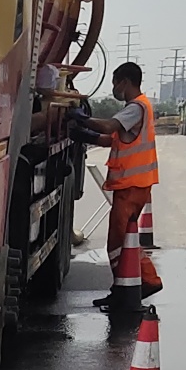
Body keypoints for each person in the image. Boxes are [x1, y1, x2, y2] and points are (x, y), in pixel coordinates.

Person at [71, 62, 162, 314]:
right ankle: (127, 287)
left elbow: (109, 127)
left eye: (115, 83)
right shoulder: (138, 108)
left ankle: (140, 283)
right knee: (127, 241)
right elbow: (108, 139)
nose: (114, 88)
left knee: (118, 243)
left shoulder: (136, 107)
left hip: (131, 186)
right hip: (135, 185)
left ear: (125, 81)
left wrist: (83, 119)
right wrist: (84, 135)